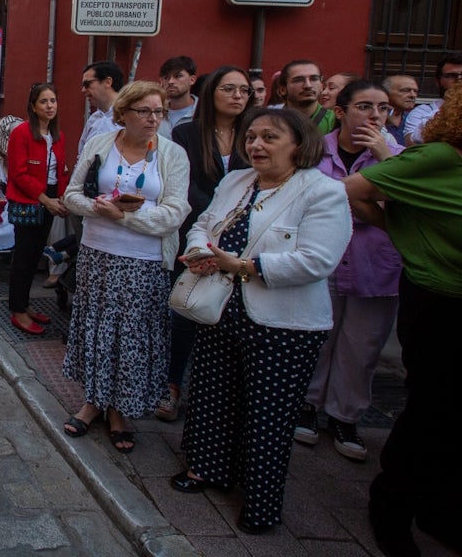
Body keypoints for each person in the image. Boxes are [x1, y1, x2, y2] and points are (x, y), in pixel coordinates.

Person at [171, 107, 351, 535]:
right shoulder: (236, 181)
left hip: (283, 325)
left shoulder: (323, 192)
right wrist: (199, 253)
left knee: (268, 416)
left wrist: (244, 266)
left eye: (270, 137)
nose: (256, 145)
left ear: (299, 144)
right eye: (251, 137)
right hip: (222, 311)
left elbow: (317, 260)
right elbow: (204, 224)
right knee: (213, 394)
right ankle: (206, 469)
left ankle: (261, 502)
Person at [344, 84, 462, 557]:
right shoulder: (440, 157)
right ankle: (392, 505)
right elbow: (352, 191)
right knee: (434, 409)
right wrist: (405, 230)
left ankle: (439, 509)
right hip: (440, 300)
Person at [62, 82, 190, 452]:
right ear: (124, 113)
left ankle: (119, 409)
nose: (153, 119)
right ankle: (93, 402)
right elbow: (72, 194)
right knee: (98, 328)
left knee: (130, 335)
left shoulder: (172, 155)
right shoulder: (100, 144)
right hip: (96, 254)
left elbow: (174, 214)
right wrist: (100, 208)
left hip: (144, 260)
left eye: (159, 112)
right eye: (145, 111)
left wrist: (124, 217)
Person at [297, 80, 403, 462]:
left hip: (373, 266)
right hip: (323, 258)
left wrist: (386, 157)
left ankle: (345, 416)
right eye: (365, 106)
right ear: (340, 112)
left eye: (383, 108)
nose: (375, 115)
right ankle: (306, 405)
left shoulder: (399, 157)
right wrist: (359, 195)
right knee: (318, 338)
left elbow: (403, 209)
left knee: (362, 347)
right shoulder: (313, 151)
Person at [156, 66, 252, 422]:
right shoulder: (187, 133)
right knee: (185, 309)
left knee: (229, 315)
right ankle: (172, 383)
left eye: (244, 90)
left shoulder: (253, 133)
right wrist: (208, 225)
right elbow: (183, 185)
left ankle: (215, 393)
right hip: (195, 230)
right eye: (229, 88)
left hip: (243, 236)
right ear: (211, 93)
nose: (238, 96)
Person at [6, 83, 70, 334]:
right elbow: (19, 174)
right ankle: (17, 310)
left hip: (51, 198)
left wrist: (62, 197)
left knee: (35, 257)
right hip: (30, 201)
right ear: (33, 106)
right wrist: (46, 199)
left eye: (53, 100)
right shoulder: (21, 133)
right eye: (43, 101)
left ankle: (25, 303)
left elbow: (61, 170)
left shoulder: (58, 135)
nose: (49, 106)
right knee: (23, 257)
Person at [403, 51, 462, 144]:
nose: (459, 79)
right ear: (438, 81)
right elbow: (413, 147)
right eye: (451, 76)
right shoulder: (422, 112)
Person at [77, 61, 124, 155]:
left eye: (87, 84)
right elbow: (82, 156)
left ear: (107, 82)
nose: (83, 90)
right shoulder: (93, 119)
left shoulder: (129, 117)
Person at [279, 59, 337, 134]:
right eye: (298, 80)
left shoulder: (336, 121)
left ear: (322, 85)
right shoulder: (271, 122)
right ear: (282, 90)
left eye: (314, 79)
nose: (308, 85)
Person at [159, 55, 199, 137]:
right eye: (166, 77)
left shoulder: (204, 111)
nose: (170, 81)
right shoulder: (155, 112)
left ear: (192, 80)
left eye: (178, 76)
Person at [383, 74, 419, 146]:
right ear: (386, 93)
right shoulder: (373, 118)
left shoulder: (415, 120)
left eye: (415, 91)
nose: (413, 95)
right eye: (406, 90)